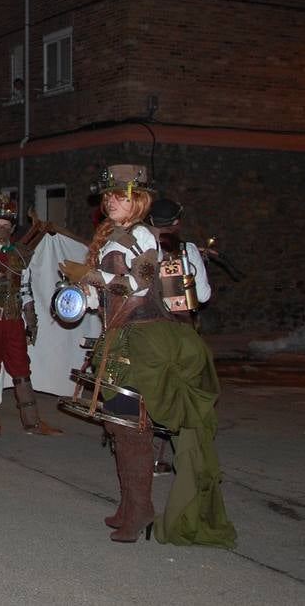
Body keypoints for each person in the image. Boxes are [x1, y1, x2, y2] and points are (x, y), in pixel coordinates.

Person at [60, 164, 236, 547]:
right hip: (120, 336)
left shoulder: (142, 235)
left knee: (131, 429)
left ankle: (139, 510)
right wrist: (82, 295)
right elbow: (107, 294)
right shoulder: (111, 235)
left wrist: (89, 277)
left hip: (143, 340)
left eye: (119, 197)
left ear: (137, 200)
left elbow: (136, 283)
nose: (111, 202)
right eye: (108, 196)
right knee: (119, 428)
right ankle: (129, 506)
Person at [0, 194, 63, 437]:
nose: (2, 230)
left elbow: (26, 290)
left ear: (12, 229)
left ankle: (32, 422)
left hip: (14, 321)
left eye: (6, 226)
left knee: (21, 369)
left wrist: (31, 320)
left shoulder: (19, 257)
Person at [148, 198, 213, 326]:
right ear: (177, 222)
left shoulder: (139, 249)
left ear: (150, 221)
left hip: (145, 325)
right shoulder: (188, 250)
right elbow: (203, 296)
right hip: (179, 326)